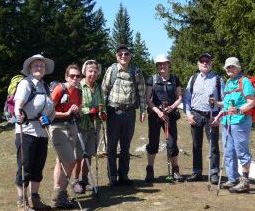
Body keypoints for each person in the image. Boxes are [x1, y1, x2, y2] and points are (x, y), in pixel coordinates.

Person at [14, 54, 55, 210]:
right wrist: (19, 114)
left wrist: (49, 118)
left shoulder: (45, 86)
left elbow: (52, 109)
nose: (39, 68)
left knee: (38, 167)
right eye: (36, 65)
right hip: (26, 130)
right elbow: (19, 103)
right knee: (25, 167)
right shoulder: (26, 84)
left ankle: (34, 199)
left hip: (42, 132)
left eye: (42, 66)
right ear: (30, 68)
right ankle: (22, 202)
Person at [101, 44, 146, 186]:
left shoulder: (136, 71)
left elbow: (142, 92)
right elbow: (104, 90)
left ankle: (123, 175)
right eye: (120, 54)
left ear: (130, 56)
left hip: (130, 113)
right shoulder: (111, 70)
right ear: (116, 56)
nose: (123, 56)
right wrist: (101, 110)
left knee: (125, 146)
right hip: (113, 112)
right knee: (112, 146)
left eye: (126, 54)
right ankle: (112, 177)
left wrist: (143, 110)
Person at [212, 57, 255, 193]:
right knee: (229, 152)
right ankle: (233, 178)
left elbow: (251, 102)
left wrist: (238, 110)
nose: (230, 69)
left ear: (238, 68)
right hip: (227, 122)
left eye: (232, 67)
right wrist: (216, 103)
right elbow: (226, 104)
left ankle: (245, 182)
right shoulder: (229, 83)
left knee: (242, 152)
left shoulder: (245, 82)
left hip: (240, 121)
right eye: (228, 67)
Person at [183, 53, 223, 184]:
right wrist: (188, 114)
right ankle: (197, 172)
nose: (205, 63)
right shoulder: (193, 78)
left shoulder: (218, 80)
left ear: (211, 63)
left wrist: (218, 117)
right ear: (198, 64)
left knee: (213, 146)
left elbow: (225, 101)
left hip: (212, 116)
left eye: (207, 61)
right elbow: (187, 99)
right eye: (202, 61)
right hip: (196, 114)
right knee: (196, 145)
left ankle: (214, 173)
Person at [144, 54, 184, 183]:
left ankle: (176, 170)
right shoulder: (152, 79)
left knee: (172, 143)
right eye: (159, 64)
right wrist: (158, 111)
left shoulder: (174, 79)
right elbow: (147, 98)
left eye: (164, 63)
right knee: (153, 143)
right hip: (155, 115)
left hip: (170, 115)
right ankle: (150, 170)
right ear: (157, 66)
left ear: (169, 64)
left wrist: (171, 108)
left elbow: (179, 97)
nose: (162, 66)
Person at [49, 64, 82, 208]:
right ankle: (60, 194)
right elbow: (47, 111)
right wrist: (66, 113)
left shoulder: (78, 92)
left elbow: (78, 110)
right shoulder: (59, 89)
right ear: (66, 77)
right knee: (70, 161)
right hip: (57, 127)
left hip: (71, 126)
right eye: (72, 76)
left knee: (61, 161)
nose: (75, 78)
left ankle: (58, 191)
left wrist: (75, 111)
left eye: (78, 76)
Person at [72, 60, 106, 192]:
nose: (92, 73)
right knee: (79, 155)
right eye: (90, 71)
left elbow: (102, 104)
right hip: (81, 126)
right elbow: (76, 107)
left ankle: (84, 180)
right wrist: (88, 111)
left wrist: (102, 113)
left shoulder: (98, 87)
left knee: (90, 154)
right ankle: (75, 182)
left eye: (95, 71)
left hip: (95, 126)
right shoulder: (79, 86)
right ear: (85, 72)